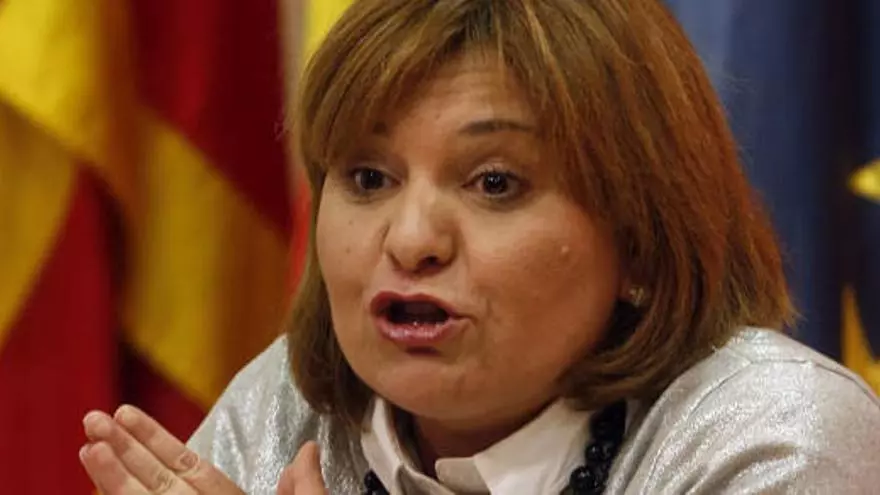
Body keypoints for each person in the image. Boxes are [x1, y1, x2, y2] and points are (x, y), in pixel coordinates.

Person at [78, 0, 880, 493]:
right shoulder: (285, 410)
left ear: (641, 243)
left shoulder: (772, 435)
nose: (411, 240)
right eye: (368, 177)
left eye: (494, 183)